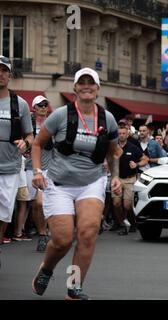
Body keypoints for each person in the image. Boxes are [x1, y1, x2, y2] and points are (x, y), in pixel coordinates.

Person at [31, 67, 122, 299]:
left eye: (91, 83)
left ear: (98, 88)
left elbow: (114, 152)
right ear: (74, 88)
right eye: (81, 82)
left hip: (91, 182)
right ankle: (47, 268)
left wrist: (116, 176)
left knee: (87, 233)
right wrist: (38, 171)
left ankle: (73, 287)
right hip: (59, 183)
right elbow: (38, 144)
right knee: (62, 240)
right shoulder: (61, 115)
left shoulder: (107, 118)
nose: (86, 86)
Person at [0, 55, 34, 264]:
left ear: (10, 75)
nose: (0, 74)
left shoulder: (19, 104)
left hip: (10, 168)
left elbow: (30, 135)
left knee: (3, 215)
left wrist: (26, 144)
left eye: (4, 70)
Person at [25, 95, 52, 251]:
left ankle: (44, 234)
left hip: (48, 168)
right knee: (35, 205)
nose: (43, 107)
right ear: (34, 108)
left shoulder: (51, 124)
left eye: (45, 105)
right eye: (40, 105)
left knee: (42, 203)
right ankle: (43, 233)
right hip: (31, 168)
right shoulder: (29, 126)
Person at [112, 126, 147, 235]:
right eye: (119, 133)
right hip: (116, 178)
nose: (121, 135)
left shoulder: (133, 147)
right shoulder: (113, 147)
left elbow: (145, 159)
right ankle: (122, 224)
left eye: (123, 133)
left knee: (127, 205)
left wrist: (136, 164)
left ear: (127, 135)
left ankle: (133, 222)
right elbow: (107, 159)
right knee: (116, 203)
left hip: (129, 179)